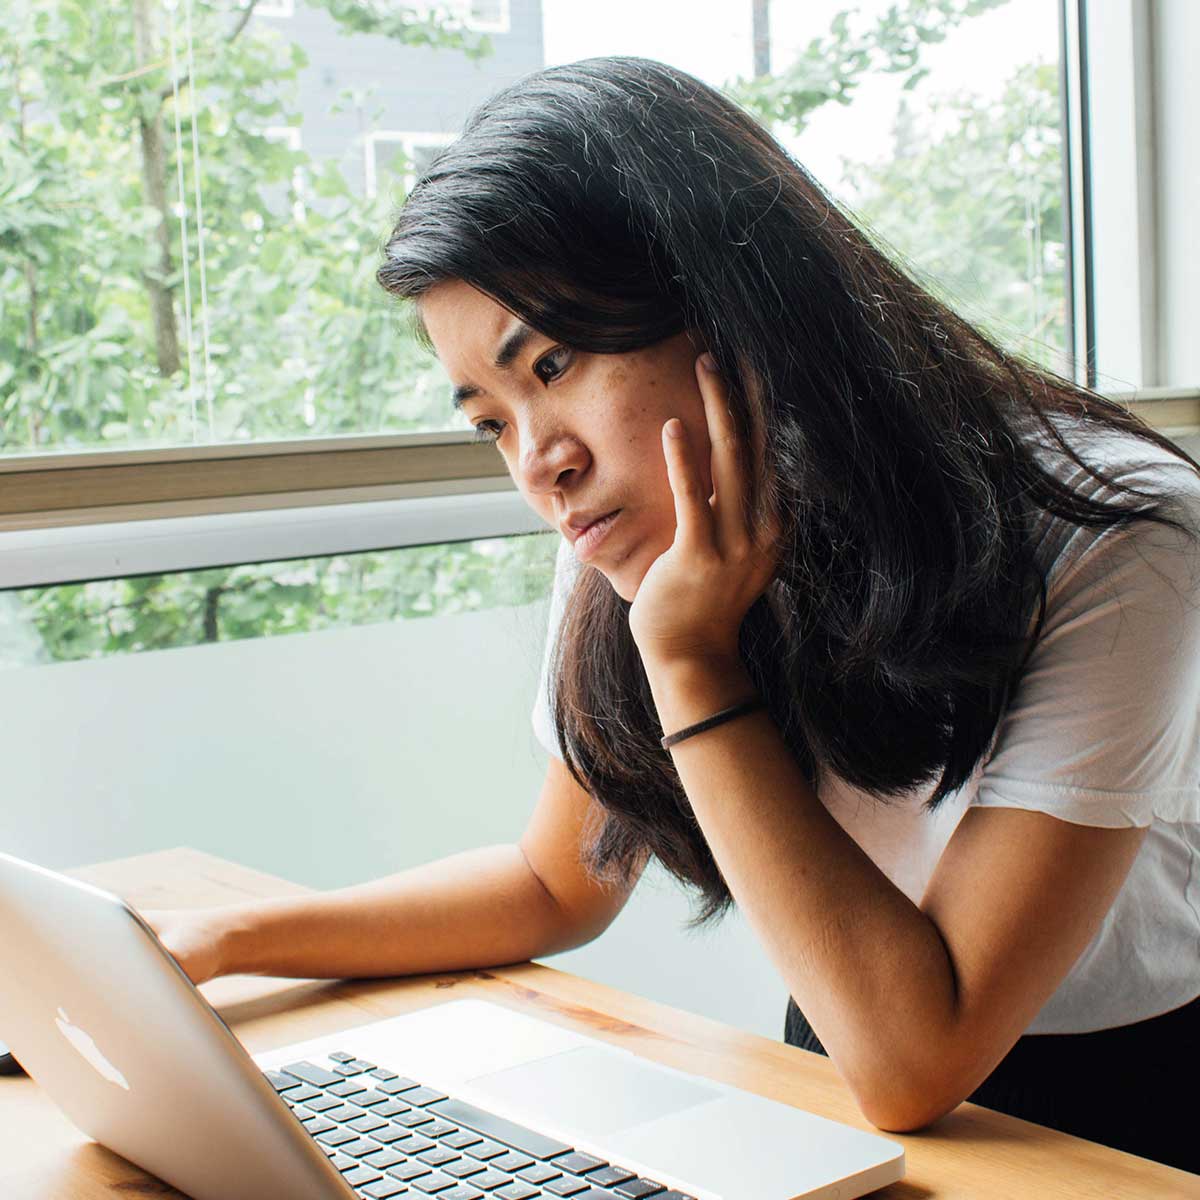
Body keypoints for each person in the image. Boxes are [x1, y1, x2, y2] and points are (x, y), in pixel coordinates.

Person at [148, 57, 1200, 1172]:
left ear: (735, 306)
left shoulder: (1120, 534)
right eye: (490, 422)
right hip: (846, 1028)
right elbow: (557, 881)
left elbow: (919, 1056)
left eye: (553, 363)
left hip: (1114, 1100)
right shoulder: (638, 507)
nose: (541, 463)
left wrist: (692, 661)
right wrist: (224, 943)